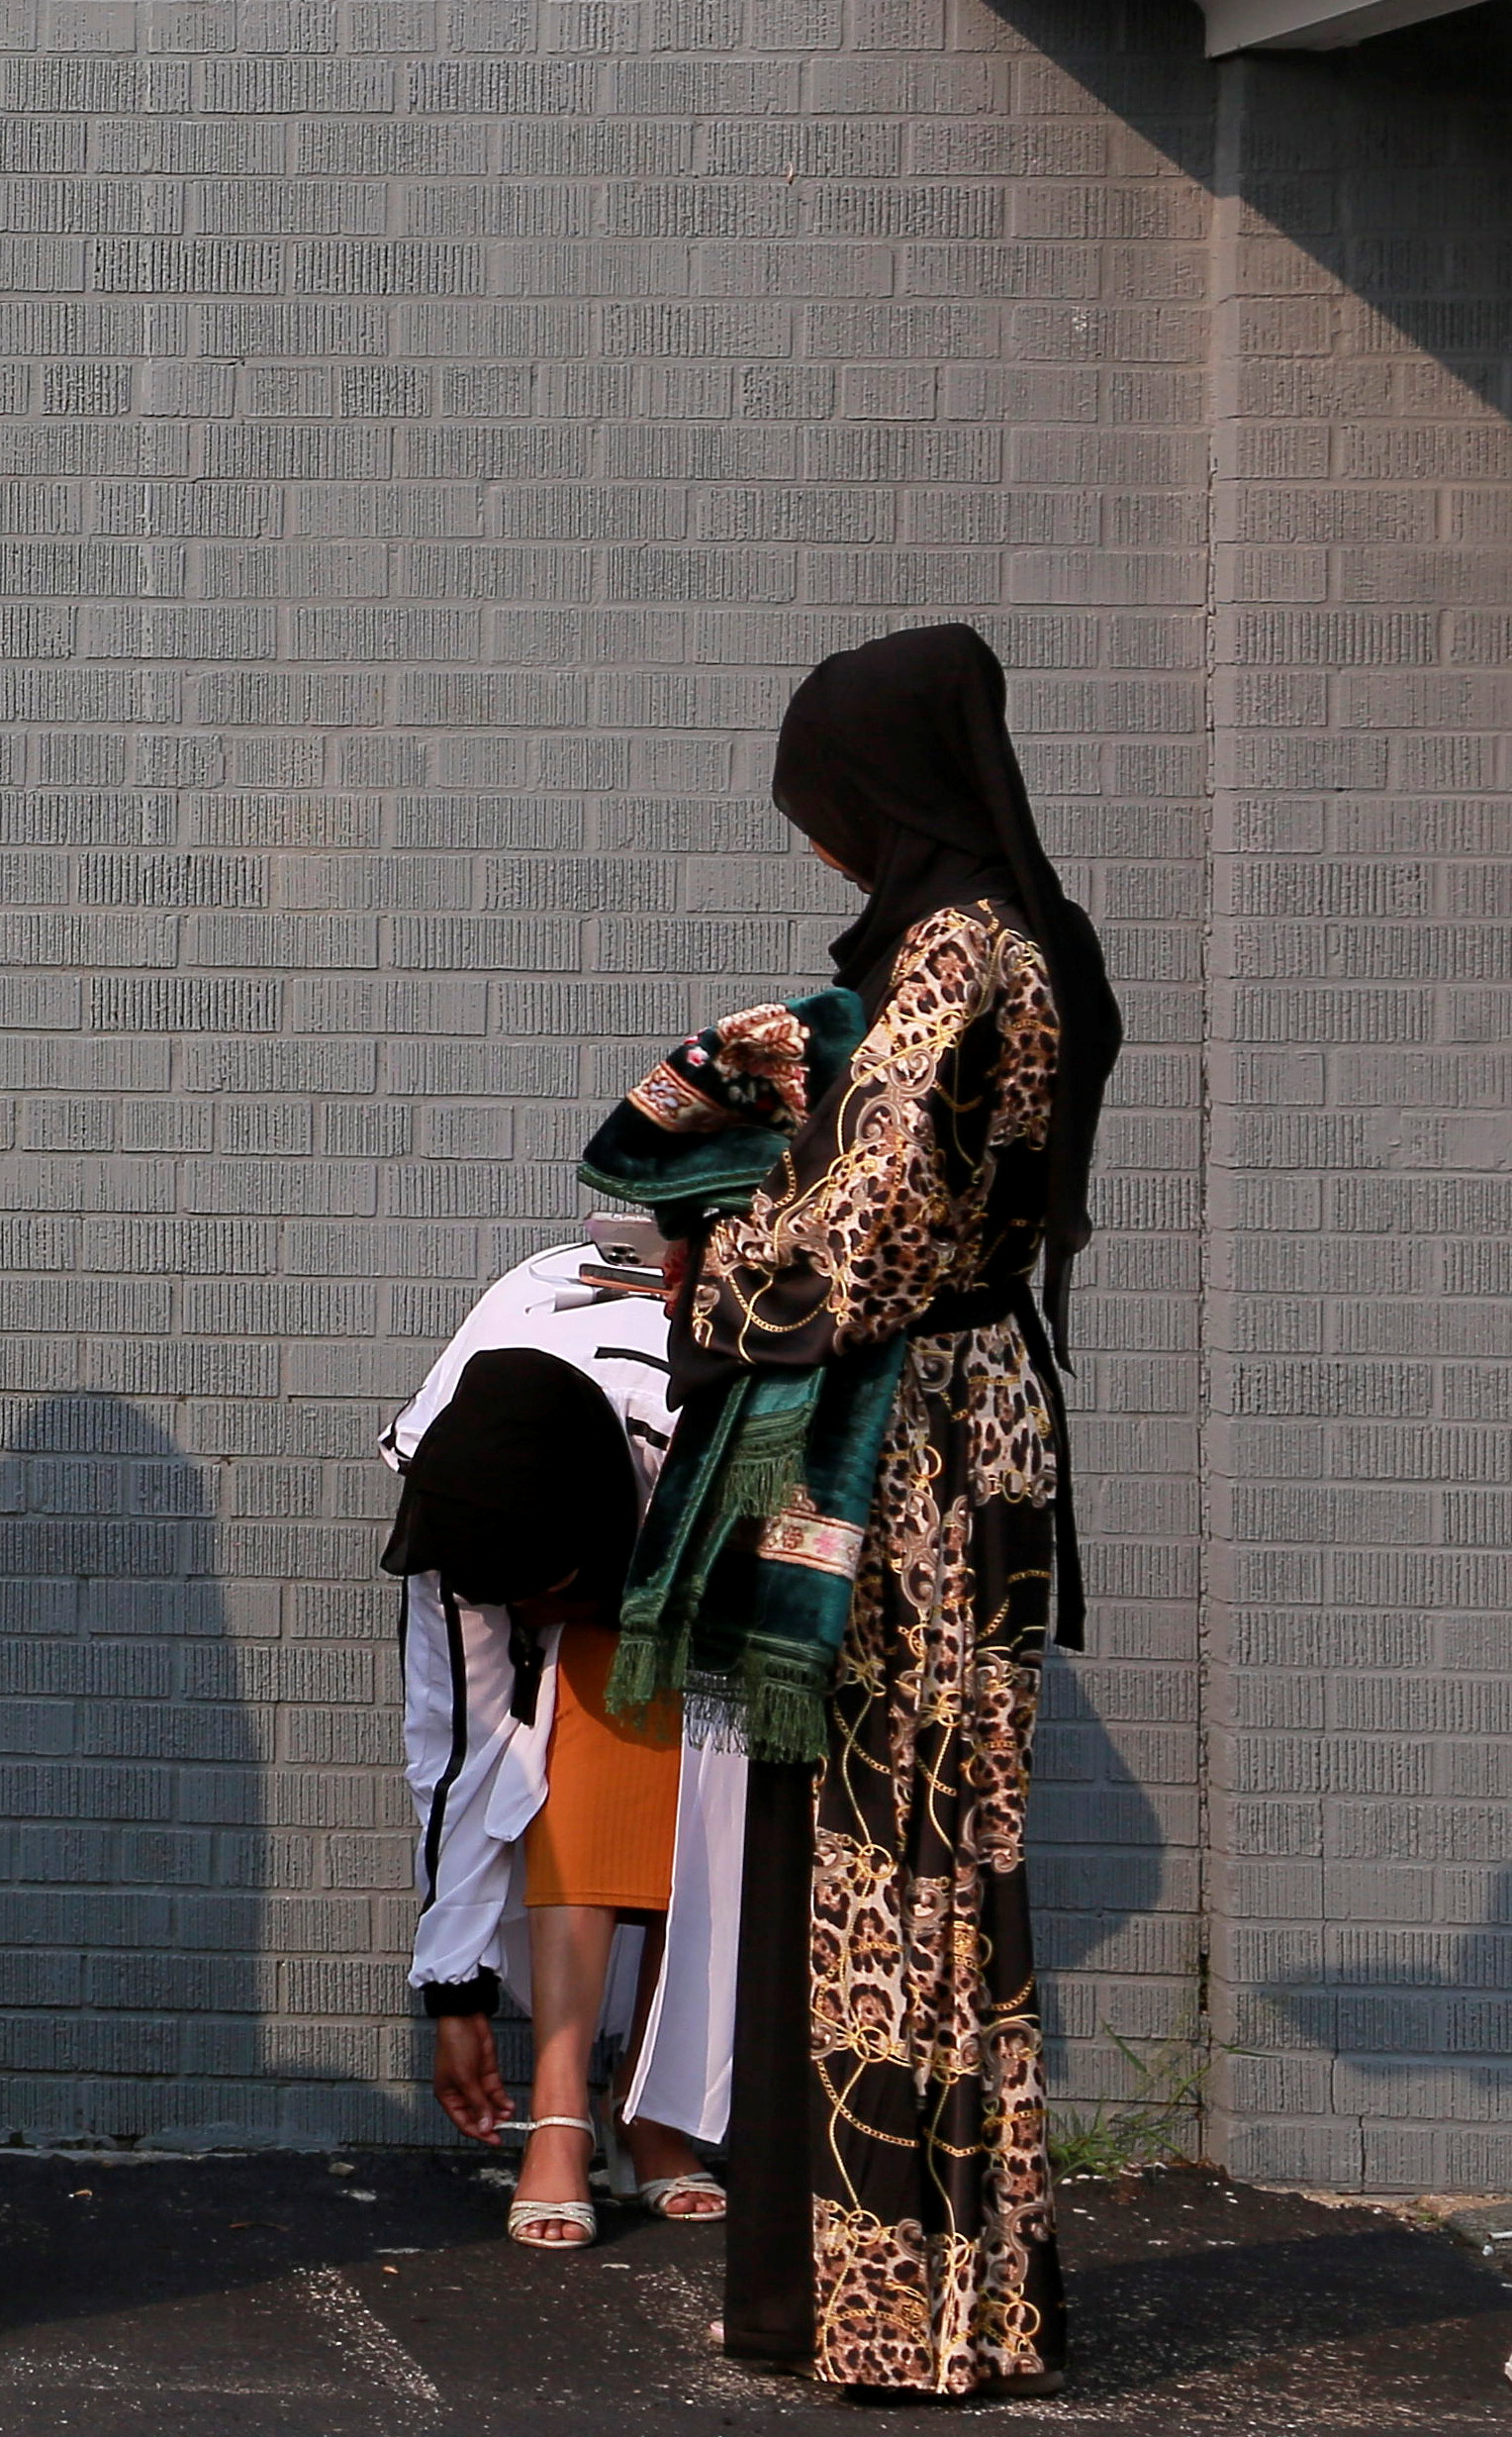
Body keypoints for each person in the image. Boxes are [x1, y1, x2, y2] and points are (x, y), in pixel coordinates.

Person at [612, 623, 1118, 2398]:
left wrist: (694, 1268)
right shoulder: (1024, 941)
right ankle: (960, 2298)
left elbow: (869, 1241)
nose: (820, 842)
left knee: (886, 1863)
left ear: (882, 792)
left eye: (826, 806)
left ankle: (899, 2315)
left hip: (903, 1455)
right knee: (948, 1864)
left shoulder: (949, 957)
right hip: (976, 1436)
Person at [382, 1297, 727, 2246]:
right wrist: (456, 1993)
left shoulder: (707, 1438)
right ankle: (563, 2108)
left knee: (711, 1777)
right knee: (583, 1730)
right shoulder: (461, 1497)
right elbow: (454, 1743)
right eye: (514, 1599)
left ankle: (653, 2105)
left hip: (722, 1495)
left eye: (553, 1592)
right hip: (571, 1479)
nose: (529, 1609)